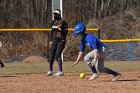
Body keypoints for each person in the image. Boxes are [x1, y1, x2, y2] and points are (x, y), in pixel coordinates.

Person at [47, 9, 68, 76]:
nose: (54, 15)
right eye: (54, 14)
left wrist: (60, 30)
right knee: (51, 55)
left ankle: (60, 71)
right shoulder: (52, 22)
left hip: (61, 40)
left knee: (57, 55)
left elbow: (66, 32)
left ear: (59, 14)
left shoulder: (63, 22)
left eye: (56, 14)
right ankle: (50, 70)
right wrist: (51, 40)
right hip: (54, 40)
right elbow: (52, 32)